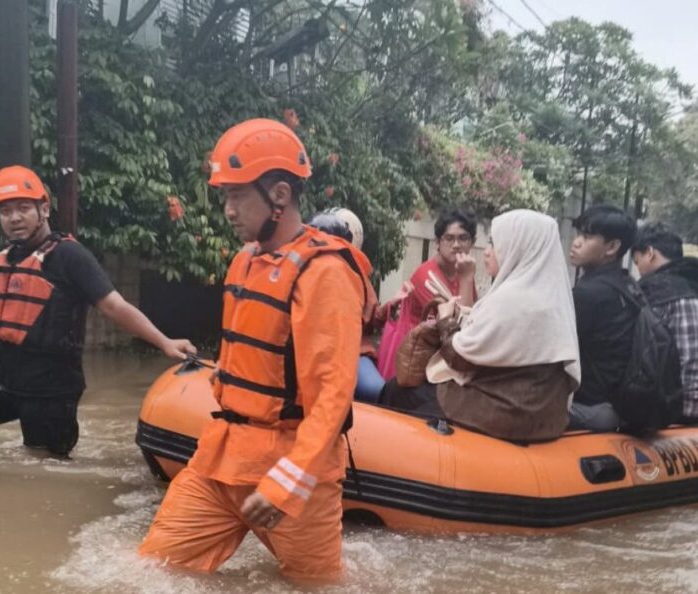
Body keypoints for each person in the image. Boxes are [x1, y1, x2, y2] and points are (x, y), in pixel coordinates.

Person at [138, 119, 365, 583]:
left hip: (295, 471)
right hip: (224, 457)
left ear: (279, 195)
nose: (227, 210)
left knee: (317, 586)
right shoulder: (245, 260)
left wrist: (290, 478)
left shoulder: (324, 274)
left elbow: (333, 393)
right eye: (224, 196)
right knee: (148, 573)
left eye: (237, 196)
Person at [0, 165, 195, 457]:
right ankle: (1, 467)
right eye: (5, 211)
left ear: (44, 208)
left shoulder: (70, 256)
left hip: (50, 386)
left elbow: (114, 306)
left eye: (23, 208)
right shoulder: (4, 258)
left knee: (41, 466)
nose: (14, 218)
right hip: (0, 376)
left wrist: (164, 342)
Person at [382, 210, 580, 442]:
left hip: (505, 412)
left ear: (517, 247)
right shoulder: (553, 299)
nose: (486, 252)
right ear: (438, 243)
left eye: (495, 244)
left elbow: (459, 356)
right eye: (449, 238)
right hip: (544, 412)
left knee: (397, 390)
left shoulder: (510, 298)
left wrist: (447, 318)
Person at [376, 209, 478, 381]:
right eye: (449, 238)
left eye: (463, 238)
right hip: (418, 360)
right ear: (438, 242)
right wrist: (467, 279)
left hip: (440, 354)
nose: (456, 244)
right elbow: (462, 327)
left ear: (472, 242)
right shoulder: (427, 276)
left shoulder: (462, 271)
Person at [568, 205, 637, 431]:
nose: (576, 242)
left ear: (612, 246)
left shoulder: (590, 293)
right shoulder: (628, 286)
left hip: (590, 407)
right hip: (619, 404)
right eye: (578, 234)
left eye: (586, 237)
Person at [308, 208, 382, 402]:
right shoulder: (300, 266)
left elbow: (370, 317)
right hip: (309, 347)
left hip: (351, 351)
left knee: (376, 390)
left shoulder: (357, 275)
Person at [632, 222, 698, 422]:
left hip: (678, 410)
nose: (639, 269)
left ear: (650, 252)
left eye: (637, 262)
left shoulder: (655, 292)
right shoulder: (692, 284)